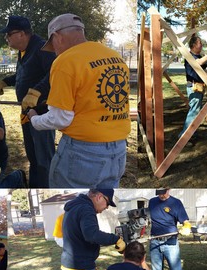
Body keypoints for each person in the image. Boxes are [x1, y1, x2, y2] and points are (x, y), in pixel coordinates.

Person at [27, 13, 130, 188]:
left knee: (67, 199)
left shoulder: (65, 61)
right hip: (119, 151)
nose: (55, 52)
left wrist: (34, 119)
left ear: (57, 37)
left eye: (53, 47)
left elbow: (60, 118)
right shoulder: (115, 57)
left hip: (83, 152)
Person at [0, 15, 56, 188]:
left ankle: (47, 189)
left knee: (44, 159)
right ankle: (35, 187)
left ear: (21, 34)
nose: (6, 38)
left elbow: (55, 73)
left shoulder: (43, 48)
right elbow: (25, 75)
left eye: (9, 34)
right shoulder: (23, 52)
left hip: (42, 113)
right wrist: (5, 81)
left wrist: (37, 92)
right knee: (33, 156)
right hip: (27, 112)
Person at [61, 189, 126, 270]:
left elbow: (80, 237)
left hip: (73, 264)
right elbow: (92, 235)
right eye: (107, 203)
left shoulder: (75, 206)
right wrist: (116, 239)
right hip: (80, 268)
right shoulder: (86, 209)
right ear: (99, 197)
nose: (106, 208)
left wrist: (90, 261)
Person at [149, 189, 192, 270]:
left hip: (171, 243)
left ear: (169, 189)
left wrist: (187, 227)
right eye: (159, 193)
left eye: (164, 192)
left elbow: (185, 221)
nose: (161, 195)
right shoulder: (152, 202)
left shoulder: (176, 203)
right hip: (155, 242)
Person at [179, 35, 207, 141]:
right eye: (199, 43)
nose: (202, 45)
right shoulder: (190, 56)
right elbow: (198, 63)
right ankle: (184, 136)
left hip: (198, 87)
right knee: (194, 111)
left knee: (194, 111)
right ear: (193, 45)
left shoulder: (198, 56)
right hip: (194, 87)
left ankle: (190, 133)